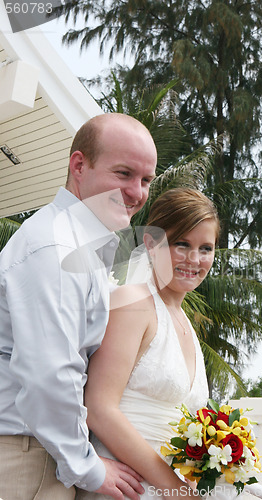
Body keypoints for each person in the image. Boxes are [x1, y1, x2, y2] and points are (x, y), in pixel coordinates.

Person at [0, 113, 157, 500]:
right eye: (123, 173)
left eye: (146, 180)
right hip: (27, 459)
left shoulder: (77, 244)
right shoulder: (56, 249)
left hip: (41, 453)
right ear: (79, 165)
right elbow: (49, 373)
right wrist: (86, 466)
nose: (136, 192)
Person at [75, 188, 220, 500]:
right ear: (151, 244)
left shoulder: (186, 324)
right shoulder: (133, 302)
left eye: (205, 248)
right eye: (182, 243)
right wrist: (175, 489)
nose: (194, 259)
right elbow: (99, 408)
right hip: (126, 487)